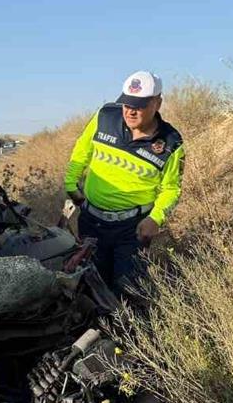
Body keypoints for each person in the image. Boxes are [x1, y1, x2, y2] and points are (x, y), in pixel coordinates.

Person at [64, 71, 184, 295]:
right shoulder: (105, 117)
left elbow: (171, 189)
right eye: (126, 103)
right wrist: (71, 184)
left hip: (132, 230)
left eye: (139, 105)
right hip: (92, 223)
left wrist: (155, 219)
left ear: (157, 103)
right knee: (90, 286)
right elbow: (82, 151)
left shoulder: (170, 143)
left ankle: (123, 330)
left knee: (127, 291)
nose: (130, 110)